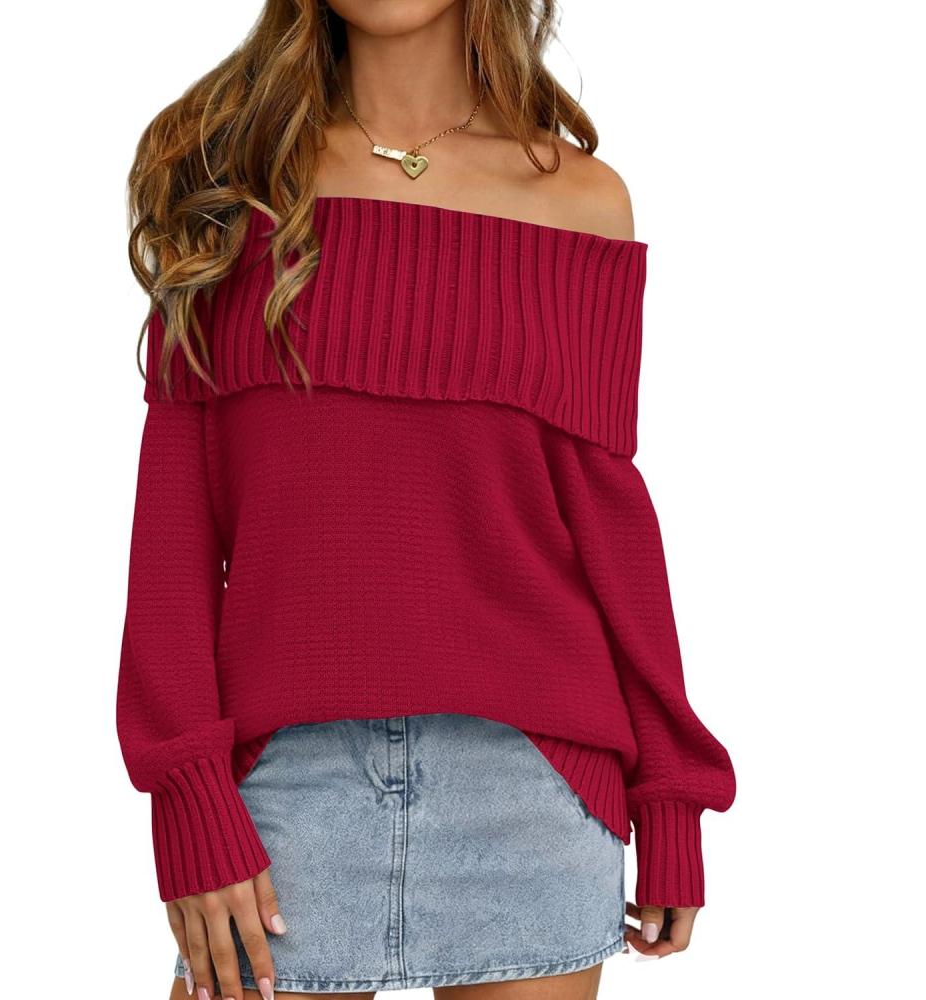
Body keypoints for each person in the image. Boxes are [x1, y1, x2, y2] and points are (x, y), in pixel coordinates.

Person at [115, 2, 737, 998]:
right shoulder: (224, 182)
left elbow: (609, 520)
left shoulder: (580, 202)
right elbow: (173, 529)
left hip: (531, 784)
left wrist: (672, 790)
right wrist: (186, 795)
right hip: (282, 789)